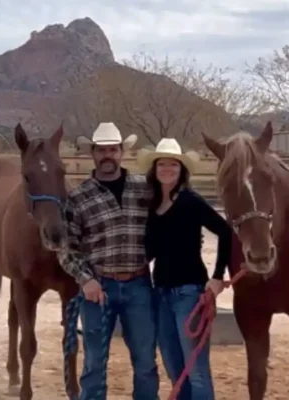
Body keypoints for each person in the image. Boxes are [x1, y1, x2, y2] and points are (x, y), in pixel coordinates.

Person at [57, 122, 159, 400]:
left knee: (146, 361)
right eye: (101, 150)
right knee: (94, 363)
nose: (107, 155)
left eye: (112, 149)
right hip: (98, 287)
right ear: (92, 153)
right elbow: (67, 248)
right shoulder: (79, 197)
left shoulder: (145, 189)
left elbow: (169, 222)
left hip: (138, 283)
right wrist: (85, 279)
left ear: (121, 152)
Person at [137, 138, 233, 400]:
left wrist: (217, 277)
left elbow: (225, 232)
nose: (167, 169)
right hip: (162, 293)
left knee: (196, 370)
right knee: (174, 367)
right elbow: (153, 249)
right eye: (162, 164)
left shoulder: (191, 201)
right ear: (154, 169)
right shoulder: (154, 205)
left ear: (181, 170)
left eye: (173, 165)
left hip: (189, 293)